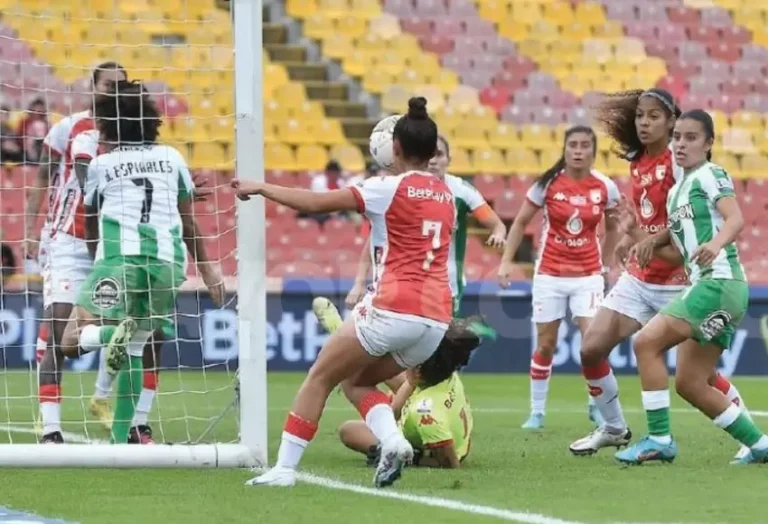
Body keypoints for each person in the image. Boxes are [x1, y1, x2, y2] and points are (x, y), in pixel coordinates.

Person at [241, 97, 455, 488]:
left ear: (396, 148)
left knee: (319, 377)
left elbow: (317, 202)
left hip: (392, 308)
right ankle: (392, 442)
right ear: (432, 150)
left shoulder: (385, 189)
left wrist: (261, 187)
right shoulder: (446, 196)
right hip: (435, 320)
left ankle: (285, 469)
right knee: (355, 382)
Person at [569, 89, 751, 459]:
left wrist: (639, 238)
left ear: (672, 123)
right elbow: (649, 225)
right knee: (590, 349)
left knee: (697, 376)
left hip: (681, 282)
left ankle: (748, 436)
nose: (643, 123)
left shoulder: (682, 167)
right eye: (640, 116)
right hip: (640, 278)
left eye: (654, 117)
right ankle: (615, 427)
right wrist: (628, 237)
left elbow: (677, 249)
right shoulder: (639, 163)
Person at [56, 80, 224, 445]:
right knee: (137, 348)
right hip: (167, 264)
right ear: (151, 120)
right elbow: (188, 219)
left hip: (119, 262)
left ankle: (106, 334)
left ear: (107, 125)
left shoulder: (101, 165)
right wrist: (209, 270)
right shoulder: (173, 159)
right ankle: (122, 439)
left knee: (69, 341)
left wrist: (94, 263)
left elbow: (91, 225)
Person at [615, 110, 768, 465]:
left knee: (646, 343)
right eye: (677, 137)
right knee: (690, 382)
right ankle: (760, 446)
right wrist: (648, 240)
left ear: (709, 143)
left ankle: (659, 439)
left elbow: (736, 219)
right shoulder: (677, 193)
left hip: (719, 281)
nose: (681, 144)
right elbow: (677, 241)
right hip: (719, 288)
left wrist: (715, 244)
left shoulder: (711, 175)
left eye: (691, 138)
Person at [497, 126, 621, 430]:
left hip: (588, 275)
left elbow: (615, 228)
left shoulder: (606, 187)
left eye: (584, 146)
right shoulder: (548, 184)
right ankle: (537, 412)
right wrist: (505, 262)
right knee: (546, 345)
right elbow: (521, 222)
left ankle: (595, 405)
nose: (578, 151)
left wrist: (605, 266)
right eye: (573, 145)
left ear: (594, 152)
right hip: (550, 274)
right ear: (564, 150)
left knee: (592, 343)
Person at [310, 298, 488, 469]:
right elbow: (395, 411)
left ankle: (393, 452)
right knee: (381, 372)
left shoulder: (425, 414)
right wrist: (408, 386)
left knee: (348, 431)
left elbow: (450, 463)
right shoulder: (446, 373)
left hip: (427, 444)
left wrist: (416, 459)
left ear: (417, 370)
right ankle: (345, 342)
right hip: (429, 411)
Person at [346, 134, 506, 316]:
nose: (433, 161)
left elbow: (496, 224)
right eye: (428, 155)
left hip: (446, 288)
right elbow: (377, 236)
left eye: (438, 154)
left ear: (449, 160)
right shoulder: (400, 189)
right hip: (401, 287)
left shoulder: (461, 191)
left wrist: (498, 234)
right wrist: (359, 283)